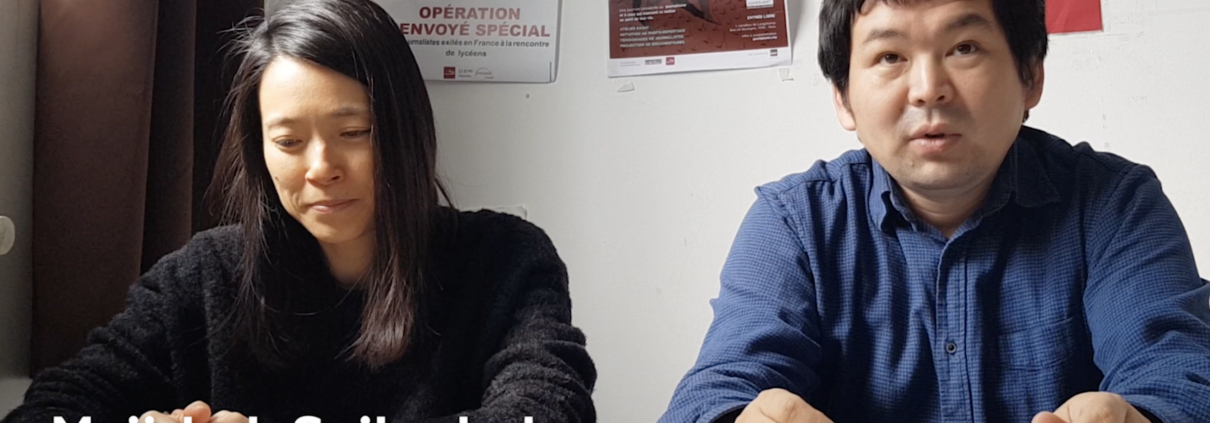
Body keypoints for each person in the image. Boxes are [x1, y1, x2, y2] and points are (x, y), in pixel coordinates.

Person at [2, 0, 596, 422]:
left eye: (355, 132)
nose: (321, 167)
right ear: (260, 151)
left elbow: (547, 408)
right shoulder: (205, 275)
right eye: (288, 141)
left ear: (408, 131)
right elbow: (59, 403)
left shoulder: (504, 260)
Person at [659, 0, 1210, 422]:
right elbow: (718, 389)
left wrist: (1142, 416)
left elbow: (1179, 373)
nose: (928, 90)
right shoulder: (795, 224)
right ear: (844, 98)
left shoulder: (1116, 204)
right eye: (890, 56)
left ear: (1030, 76)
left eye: (964, 47)